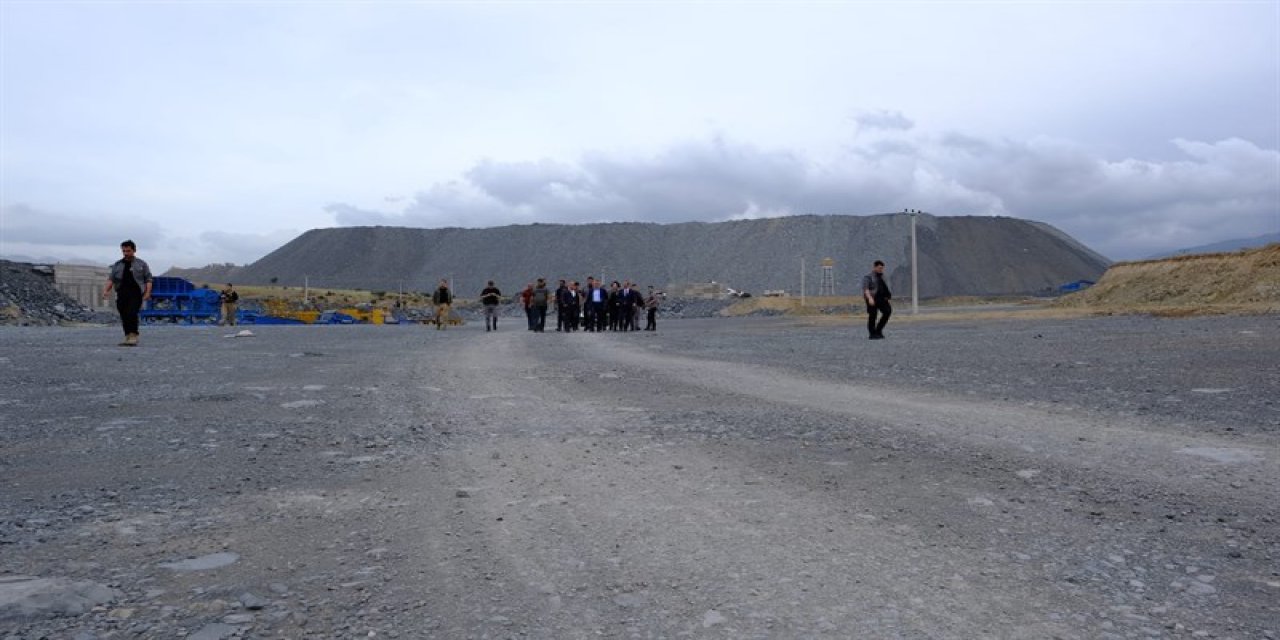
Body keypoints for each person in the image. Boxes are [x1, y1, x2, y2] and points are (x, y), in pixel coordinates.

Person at [102, 239, 153, 347]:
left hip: (136, 293)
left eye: (128, 251)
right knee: (124, 315)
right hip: (121, 293)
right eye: (124, 251)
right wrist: (106, 290)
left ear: (134, 250)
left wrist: (147, 293)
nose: (126, 253)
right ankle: (127, 336)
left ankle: (134, 335)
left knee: (132, 313)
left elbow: (148, 279)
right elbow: (111, 279)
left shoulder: (141, 264)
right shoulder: (117, 265)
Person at [861, 260, 892, 339]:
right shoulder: (868, 277)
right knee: (873, 315)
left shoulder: (883, 276)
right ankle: (872, 333)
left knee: (887, 311)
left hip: (882, 298)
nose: (880, 270)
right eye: (879, 268)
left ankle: (879, 330)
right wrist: (870, 298)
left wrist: (887, 297)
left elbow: (885, 287)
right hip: (872, 298)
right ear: (874, 267)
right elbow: (866, 289)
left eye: (882, 268)